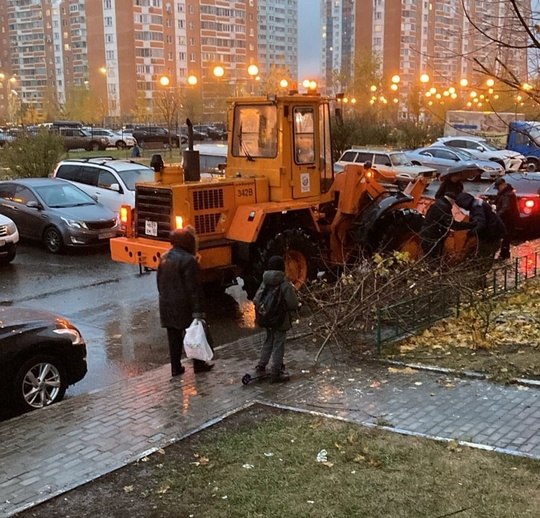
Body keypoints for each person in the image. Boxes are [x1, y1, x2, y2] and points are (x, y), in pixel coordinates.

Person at [156, 227, 214, 378]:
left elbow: (159, 284)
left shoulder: (164, 258)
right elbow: (193, 289)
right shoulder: (189, 261)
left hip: (167, 304)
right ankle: (199, 364)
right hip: (184, 305)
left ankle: (175, 367)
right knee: (194, 335)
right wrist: (198, 310)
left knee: (173, 338)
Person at [253, 256, 299, 383]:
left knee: (268, 340)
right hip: (280, 320)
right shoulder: (285, 284)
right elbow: (293, 303)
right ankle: (276, 372)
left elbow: (256, 299)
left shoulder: (265, 282)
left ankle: (261, 365)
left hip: (267, 319)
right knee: (279, 344)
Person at [455, 192, 506, 269]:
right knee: (485, 256)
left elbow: (480, 223)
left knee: (483, 257)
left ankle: (481, 275)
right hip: (496, 233)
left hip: (492, 236)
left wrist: (472, 233)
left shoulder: (476, 207)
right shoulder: (478, 202)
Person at [420, 192, 476, 259]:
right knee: (435, 258)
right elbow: (453, 225)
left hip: (425, 233)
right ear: (452, 200)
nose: (452, 206)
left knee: (427, 256)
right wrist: (471, 225)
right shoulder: (445, 208)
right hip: (433, 238)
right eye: (453, 203)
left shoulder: (436, 204)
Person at [494, 178, 520, 260]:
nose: (498, 189)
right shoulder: (504, 193)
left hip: (509, 219)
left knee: (506, 236)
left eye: (498, 187)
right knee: (506, 237)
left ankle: (504, 254)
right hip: (507, 218)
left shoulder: (508, 194)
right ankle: (505, 254)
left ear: (503, 185)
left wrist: (497, 216)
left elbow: (505, 208)